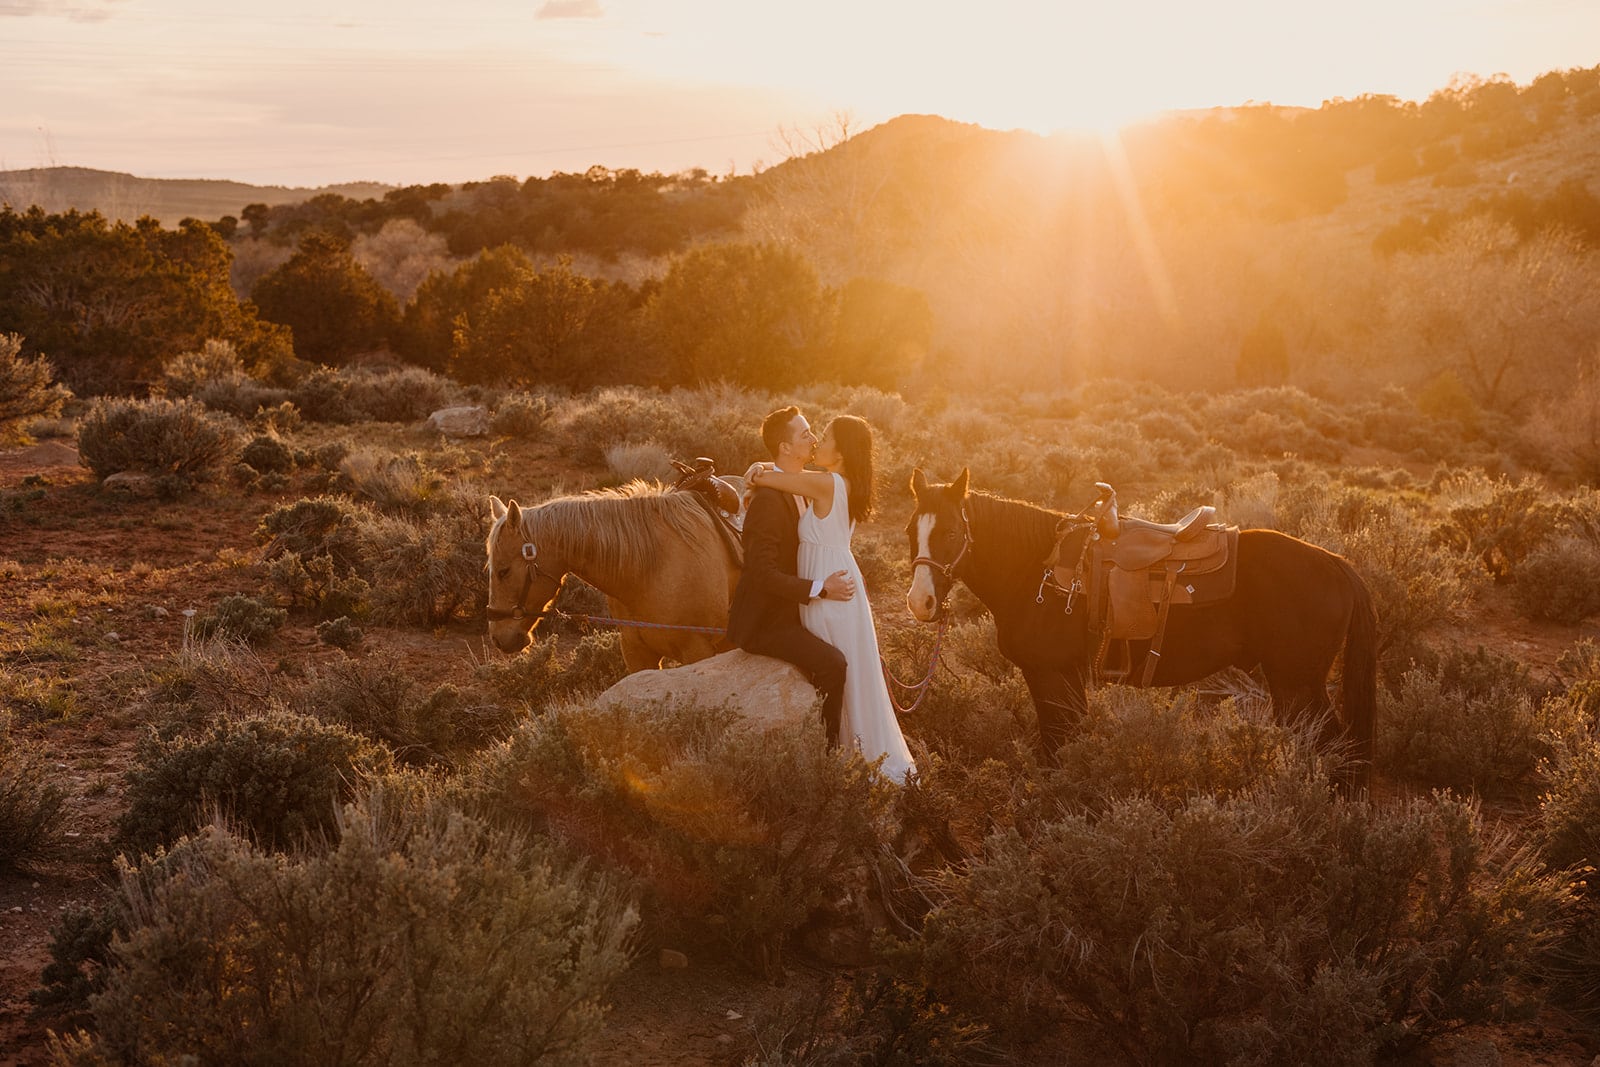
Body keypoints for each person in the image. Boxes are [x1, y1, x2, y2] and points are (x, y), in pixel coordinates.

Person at [747, 413, 917, 783]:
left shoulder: (826, 483)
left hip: (829, 590)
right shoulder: (838, 483)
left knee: (838, 667)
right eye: (812, 435)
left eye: (822, 437)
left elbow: (767, 477)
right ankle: (853, 755)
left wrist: (757, 469)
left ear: (839, 452)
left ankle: (844, 760)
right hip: (832, 580)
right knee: (850, 672)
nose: (816, 443)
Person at [727, 407, 853, 748]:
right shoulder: (767, 501)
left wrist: (762, 468)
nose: (813, 439)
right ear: (785, 447)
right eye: (805, 434)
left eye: (813, 433)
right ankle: (827, 751)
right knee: (834, 664)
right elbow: (761, 572)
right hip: (770, 620)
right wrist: (821, 589)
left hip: (798, 609)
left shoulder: (800, 485)